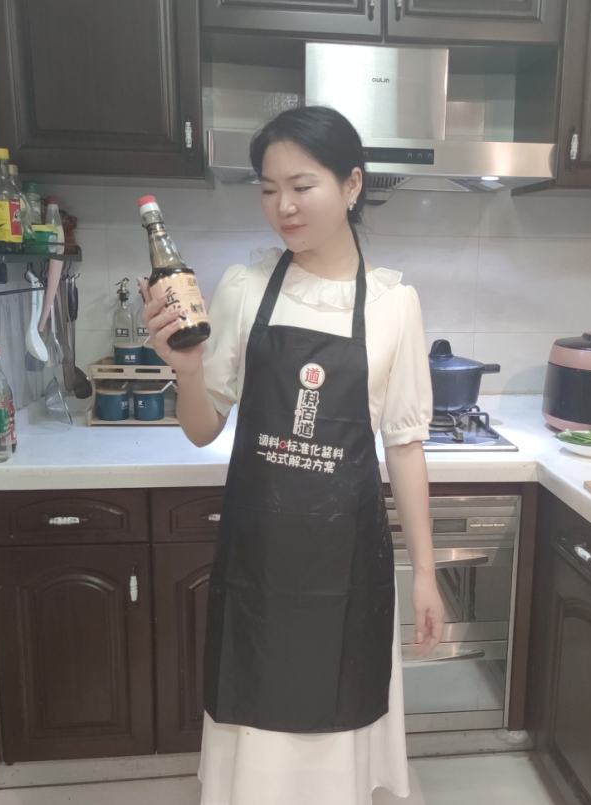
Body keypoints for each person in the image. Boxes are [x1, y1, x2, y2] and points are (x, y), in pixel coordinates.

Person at [140, 106, 444, 805]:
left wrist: (425, 575)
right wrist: (186, 371)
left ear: (352, 184)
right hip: (260, 560)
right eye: (268, 188)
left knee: (338, 723)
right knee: (257, 736)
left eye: (302, 186)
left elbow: (403, 446)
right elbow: (202, 429)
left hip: (347, 563)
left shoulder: (394, 304)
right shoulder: (246, 287)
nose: (283, 206)